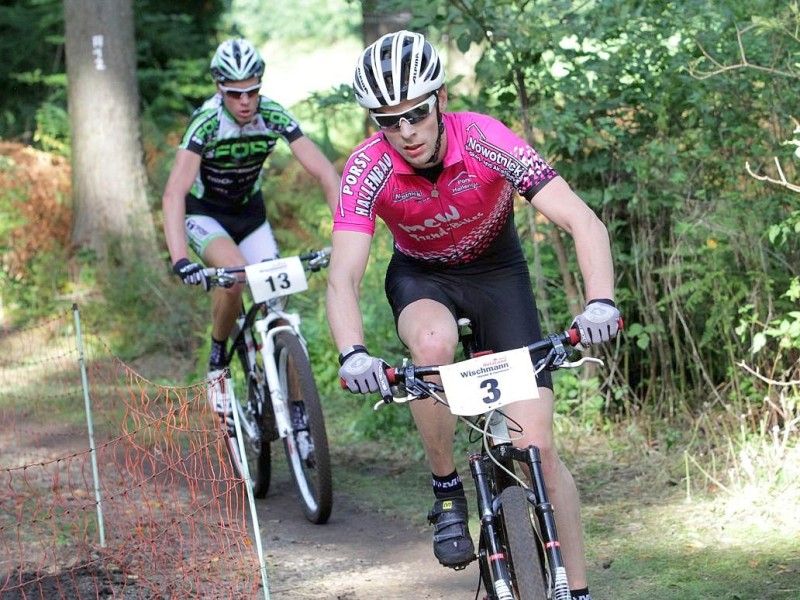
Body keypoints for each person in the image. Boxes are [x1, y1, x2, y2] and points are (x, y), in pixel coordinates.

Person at [326, 30, 619, 600]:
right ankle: (446, 487)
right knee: (431, 345)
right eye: (389, 120)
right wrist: (353, 352)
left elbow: (584, 222)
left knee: (537, 448)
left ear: (438, 100)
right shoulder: (367, 168)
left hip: (497, 276)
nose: (406, 130)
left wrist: (601, 300)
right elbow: (343, 275)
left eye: (415, 113)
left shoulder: (485, 137)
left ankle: (577, 590)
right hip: (421, 278)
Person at [163, 38, 340, 419]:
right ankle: (217, 355)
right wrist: (180, 259)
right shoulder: (206, 123)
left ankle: (296, 410)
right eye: (235, 93)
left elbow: (326, 173)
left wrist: (347, 235)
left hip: (250, 216)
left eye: (252, 92)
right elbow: (174, 193)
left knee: (278, 307)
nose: (245, 101)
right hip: (205, 214)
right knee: (236, 276)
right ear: (219, 90)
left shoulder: (273, 115)